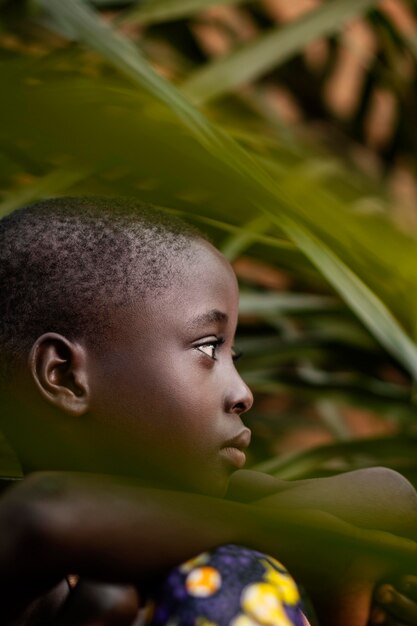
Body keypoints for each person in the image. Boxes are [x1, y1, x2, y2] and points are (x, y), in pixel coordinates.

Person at [0, 196, 417, 626]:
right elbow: (42, 513)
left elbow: (389, 495)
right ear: (65, 376)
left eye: (232, 354)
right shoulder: (19, 546)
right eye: (207, 347)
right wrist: (303, 542)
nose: (243, 393)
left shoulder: (202, 506)